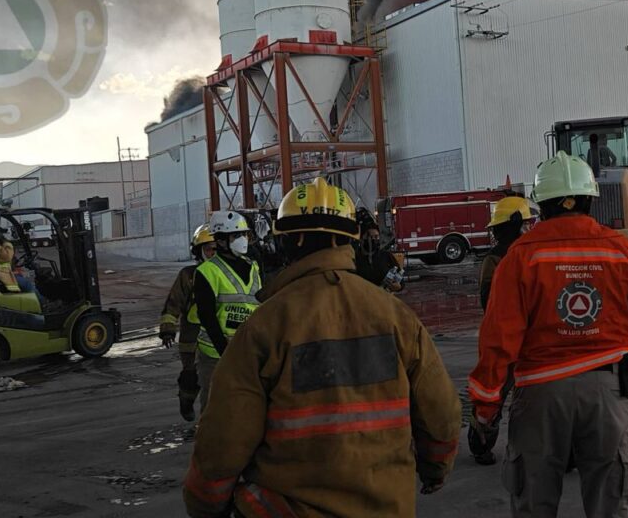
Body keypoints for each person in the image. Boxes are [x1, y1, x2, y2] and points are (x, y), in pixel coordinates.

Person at [183, 178, 461, 517]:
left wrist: (205, 505)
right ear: (349, 239)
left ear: (291, 240)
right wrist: (434, 468)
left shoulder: (265, 326)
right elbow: (441, 414)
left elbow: (222, 442)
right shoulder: (395, 316)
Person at [468, 152, 628, 518]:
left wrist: (486, 408)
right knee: (611, 502)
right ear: (589, 198)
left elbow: (497, 341)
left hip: (538, 395)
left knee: (534, 502)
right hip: (608, 394)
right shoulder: (623, 252)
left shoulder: (518, 259)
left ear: (542, 204)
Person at [469, 195, 534, 466]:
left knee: (500, 394)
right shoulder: (501, 260)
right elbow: (489, 300)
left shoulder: (509, 257)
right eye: (527, 223)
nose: (531, 227)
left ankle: (483, 442)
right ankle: (482, 441)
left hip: (515, 338)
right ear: (517, 224)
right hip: (515, 339)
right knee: (500, 393)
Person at [186, 210, 263, 411]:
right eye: (236, 235)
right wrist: (226, 350)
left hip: (249, 351)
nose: (242, 240)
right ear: (220, 241)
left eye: (244, 234)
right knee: (215, 409)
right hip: (216, 354)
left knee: (249, 408)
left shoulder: (253, 267)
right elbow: (208, 317)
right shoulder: (207, 272)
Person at [158, 224, 216, 421]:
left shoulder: (226, 275)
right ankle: (186, 399)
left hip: (217, 340)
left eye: (216, 249)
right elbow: (173, 303)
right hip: (191, 340)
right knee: (191, 377)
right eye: (209, 249)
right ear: (198, 252)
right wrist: (167, 329)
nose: (213, 253)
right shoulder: (188, 276)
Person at [353, 210, 404, 292]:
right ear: (362, 238)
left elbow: (400, 280)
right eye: (369, 236)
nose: (373, 240)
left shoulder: (386, 256)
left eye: (376, 237)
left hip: (384, 301)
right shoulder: (354, 257)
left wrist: (399, 286)